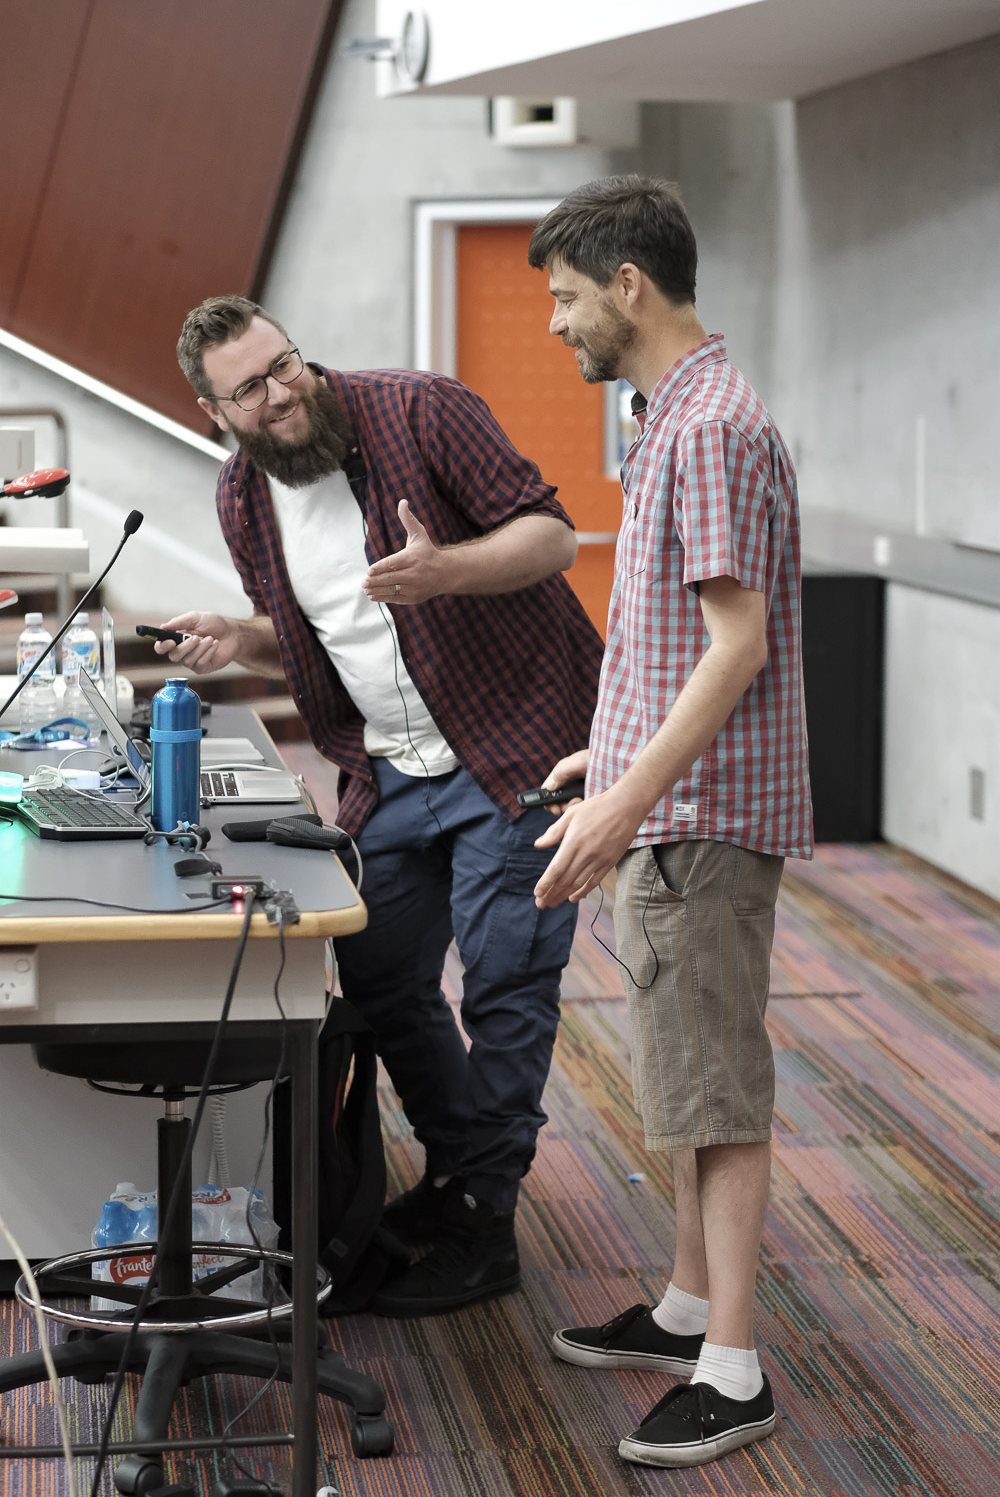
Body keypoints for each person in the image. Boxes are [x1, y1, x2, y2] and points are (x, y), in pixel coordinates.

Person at [162, 295, 604, 1316]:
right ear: (213, 413)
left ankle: (484, 1222)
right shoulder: (243, 497)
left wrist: (448, 569)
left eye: (284, 365)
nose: (281, 394)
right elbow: (308, 632)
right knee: (374, 972)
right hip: (391, 770)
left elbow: (552, 538)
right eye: (250, 390)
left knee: (504, 983)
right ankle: (459, 1174)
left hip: (517, 746)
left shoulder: (418, 410)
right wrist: (240, 635)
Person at [527, 177, 812, 1468]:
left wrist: (620, 804)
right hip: (670, 798)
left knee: (719, 1090)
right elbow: (676, 635)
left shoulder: (710, 429)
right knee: (686, 1080)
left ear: (628, 285)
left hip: (697, 817)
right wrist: (610, 748)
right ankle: (689, 1304)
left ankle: (734, 1369)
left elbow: (737, 645)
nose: (555, 323)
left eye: (566, 296)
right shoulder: (674, 417)